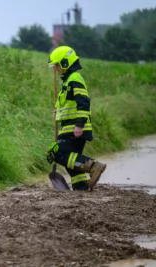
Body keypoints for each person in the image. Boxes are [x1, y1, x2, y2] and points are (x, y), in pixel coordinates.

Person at [47, 45, 107, 191]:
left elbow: (84, 102)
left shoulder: (75, 79)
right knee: (72, 159)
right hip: (69, 128)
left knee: (58, 153)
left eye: (56, 65)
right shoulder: (68, 81)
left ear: (65, 63)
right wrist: (58, 113)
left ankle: (93, 166)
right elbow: (70, 105)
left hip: (76, 128)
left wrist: (79, 125)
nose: (55, 69)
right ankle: (80, 185)